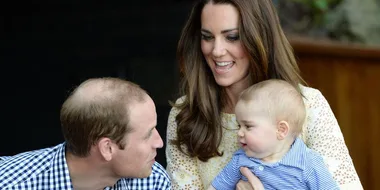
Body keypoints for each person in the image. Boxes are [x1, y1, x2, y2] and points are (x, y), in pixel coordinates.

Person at [165, 0, 363, 189]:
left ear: (259, 36)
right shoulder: (186, 114)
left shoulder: (309, 105)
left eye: (232, 37)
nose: (216, 51)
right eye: (207, 37)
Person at [0, 77, 171, 190]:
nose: (159, 142)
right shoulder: (12, 184)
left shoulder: (152, 182)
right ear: (107, 148)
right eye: (148, 134)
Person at [208, 79, 338, 190]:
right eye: (239, 126)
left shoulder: (308, 163)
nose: (240, 133)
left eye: (248, 126)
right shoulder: (241, 159)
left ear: (281, 130)